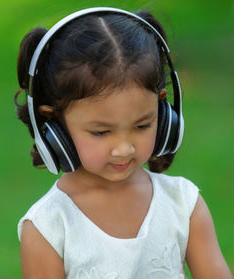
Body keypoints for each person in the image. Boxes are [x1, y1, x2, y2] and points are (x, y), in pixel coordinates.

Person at [14, 7, 233, 279]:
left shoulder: (182, 204)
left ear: (163, 113)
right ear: (56, 125)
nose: (124, 148)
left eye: (142, 126)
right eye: (101, 132)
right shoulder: (49, 226)